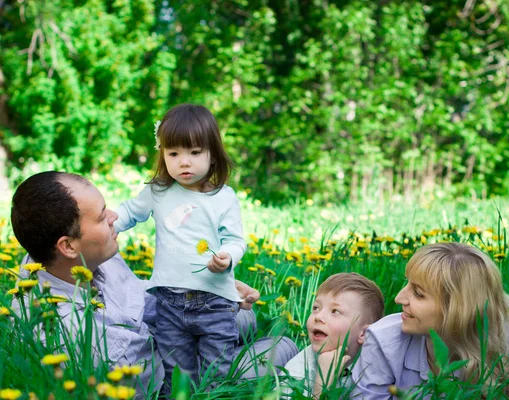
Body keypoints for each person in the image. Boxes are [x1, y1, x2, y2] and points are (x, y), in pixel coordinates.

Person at [10, 171, 297, 397]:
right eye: (101, 217)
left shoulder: (82, 258)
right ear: (68, 246)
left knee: (242, 314)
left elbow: (141, 296)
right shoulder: (63, 332)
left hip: (168, 330)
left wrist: (201, 289)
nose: (114, 218)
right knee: (283, 345)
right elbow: (153, 375)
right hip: (173, 380)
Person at [113, 104, 247, 390]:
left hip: (216, 302)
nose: (184, 162)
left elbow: (236, 240)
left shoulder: (224, 197)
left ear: (213, 155)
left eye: (195, 153)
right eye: (173, 153)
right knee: (176, 373)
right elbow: (128, 213)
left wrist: (227, 257)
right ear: (163, 154)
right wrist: (106, 226)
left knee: (217, 371)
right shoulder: (157, 192)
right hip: (169, 303)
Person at [351, 243, 509, 399]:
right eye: (407, 284)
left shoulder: (504, 346)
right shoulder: (383, 341)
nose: (399, 298)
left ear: (457, 309)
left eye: (418, 294)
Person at [283, 272, 385, 397]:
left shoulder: (377, 371)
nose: (318, 316)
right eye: (316, 308)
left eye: (335, 311)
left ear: (363, 333)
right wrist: (322, 384)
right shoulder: (298, 370)